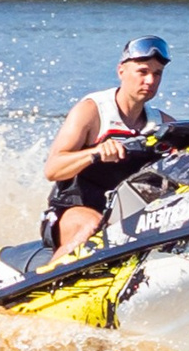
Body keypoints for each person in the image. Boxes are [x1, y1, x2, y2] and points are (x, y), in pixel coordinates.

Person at [40, 36, 175, 254]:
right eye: (142, 72)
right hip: (71, 210)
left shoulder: (164, 124)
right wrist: (95, 153)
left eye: (157, 73)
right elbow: (52, 169)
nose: (150, 80)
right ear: (121, 71)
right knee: (94, 226)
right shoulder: (92, 111)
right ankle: (50, 282)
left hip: (126, 217)